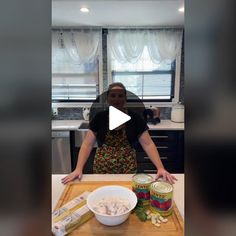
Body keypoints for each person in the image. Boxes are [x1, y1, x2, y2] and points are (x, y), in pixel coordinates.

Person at [62, 82, 177, 184]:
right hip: (103, 167)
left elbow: (148, 144)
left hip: (127, 167)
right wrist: (78, 169)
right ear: (107, 98)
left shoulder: (135, 118)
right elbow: (87, 144)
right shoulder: (99, 118)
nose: (116, 99)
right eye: (113, 95)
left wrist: (160, 168)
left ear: (125, 98)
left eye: (120, 96)